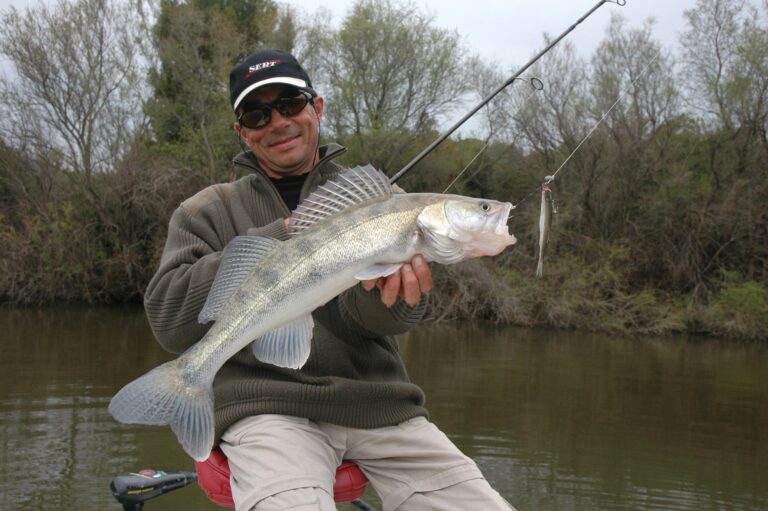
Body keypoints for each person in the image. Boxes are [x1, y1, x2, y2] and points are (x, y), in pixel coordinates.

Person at [144, 49, 514, 511]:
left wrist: (389, 299)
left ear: (316, 107)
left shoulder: (386, 199)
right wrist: (282, 236)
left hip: (380, 407)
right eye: (257, 114)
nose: (277, 122)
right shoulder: (206, 210)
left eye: (291, 104)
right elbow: (168, 321)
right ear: (242, 133)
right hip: (267, 411)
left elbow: (392, 319)